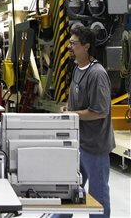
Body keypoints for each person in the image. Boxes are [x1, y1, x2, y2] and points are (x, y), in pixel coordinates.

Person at [56, 25, 115, 218]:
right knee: (69, 189)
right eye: (70, 42)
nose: (69, 47)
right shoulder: (77, 69)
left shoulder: (97, 74)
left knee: (98, 196)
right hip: (78, 143)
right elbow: (76, 99)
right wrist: (68, 108)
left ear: (86, 46)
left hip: (95, 146)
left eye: (73, 43)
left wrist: (72, 114)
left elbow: (100, 112)